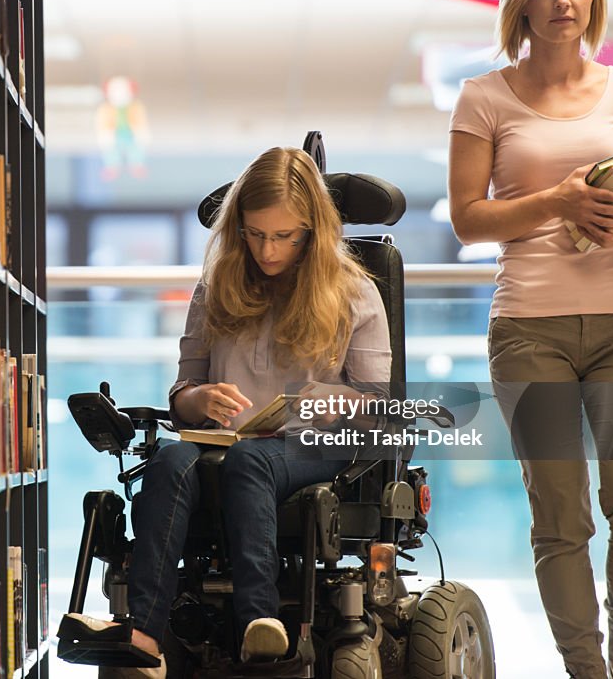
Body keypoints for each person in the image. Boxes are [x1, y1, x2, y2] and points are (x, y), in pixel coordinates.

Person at [447, 0, 613, 679]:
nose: (563, 0)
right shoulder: (482, 97)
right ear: (522, 1)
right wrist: (558, 199)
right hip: (527, 328)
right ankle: (586, 667)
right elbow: (468, 221)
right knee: (561, 514)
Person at [87, 146, 391, 678]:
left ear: (312, 231)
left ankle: (261, 626)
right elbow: (183, 390)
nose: (268, 250)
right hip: (223, 443)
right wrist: (197, 401)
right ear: (239, 228)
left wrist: (336, 400)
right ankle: (144, 635)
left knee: (253, 464)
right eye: (255, 234)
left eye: (284, 236)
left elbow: (381, 406)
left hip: (313, 446)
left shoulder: (355, 293)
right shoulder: (215, 287)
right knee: (167, 462)